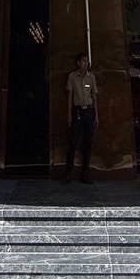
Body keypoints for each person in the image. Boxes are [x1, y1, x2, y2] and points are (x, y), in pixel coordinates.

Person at [64, 52, 98, 184]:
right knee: (73, 142)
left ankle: (85, 173)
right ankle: (68, 172)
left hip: (89, 111)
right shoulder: (72, 76)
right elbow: (70, 96)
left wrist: (96, 115)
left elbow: (94, 96)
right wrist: (69, 115)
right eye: (83, 61)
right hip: (77, 111)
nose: (86, 63)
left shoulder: (91, 77)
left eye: (87, 61)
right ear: (78, 63)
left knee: (88, 142)